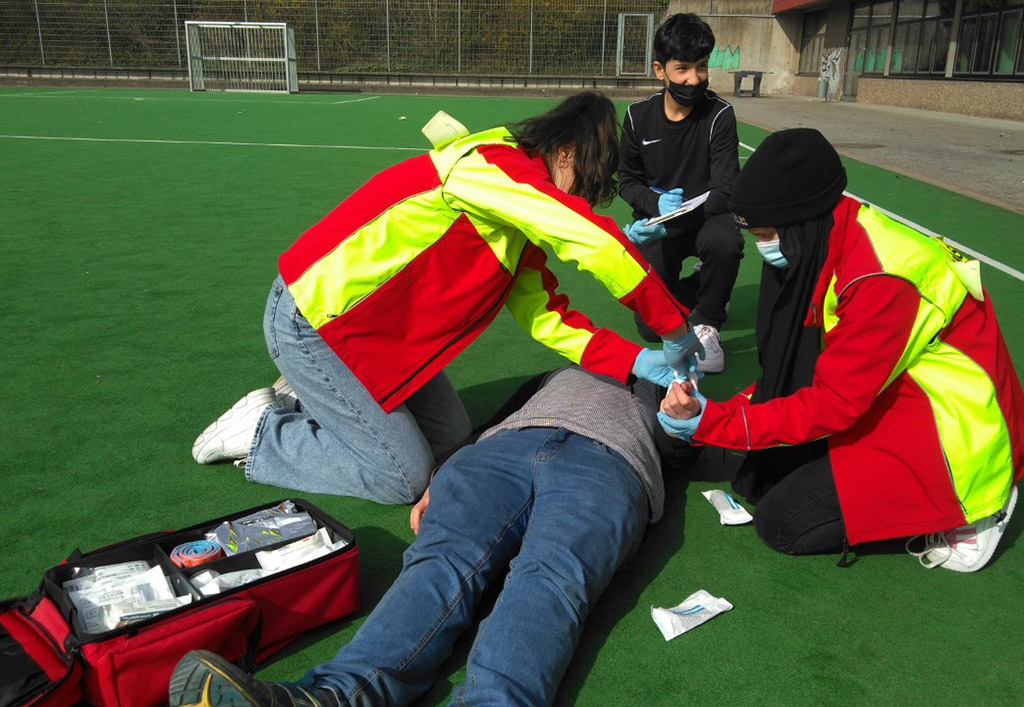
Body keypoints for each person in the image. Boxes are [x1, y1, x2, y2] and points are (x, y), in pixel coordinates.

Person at [190, 91, 702, 504]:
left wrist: (637, 359)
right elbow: (590, 240)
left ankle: (308, 395)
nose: (577, 201)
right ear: (564, 153)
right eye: (581, 187)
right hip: (317, 323)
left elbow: (547, 318)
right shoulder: (489, 168)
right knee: (403, 478)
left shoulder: (514, 219)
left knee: (451, 442)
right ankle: (262, 434)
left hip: (377, 337)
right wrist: (673, 328)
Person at [169, 367, 697, 707]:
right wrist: (444, 469)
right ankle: (332, 698)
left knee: (550, 581)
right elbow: (495, 418)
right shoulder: (562, 365)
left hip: (610, 463)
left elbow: (682, 459)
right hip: (500, 452)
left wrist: (679, 425)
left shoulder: (670, 383)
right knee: (440, 560)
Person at [659, 127, 1024, 572]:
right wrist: (723, 410)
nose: (764, 247)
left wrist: (716, 420)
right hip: (890, 393)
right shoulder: (828, 238)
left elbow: (835, 402)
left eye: (769, 233)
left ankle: (977, 506)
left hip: (951, 428)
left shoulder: (880, 279)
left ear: (800, 222)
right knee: (767, 477)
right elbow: (805, 370)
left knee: (785, 523)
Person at [617, 13, 744, 374]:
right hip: (658, 224)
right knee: (649, 328)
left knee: (725, 241)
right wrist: (654, 204)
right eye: (683, 69)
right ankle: (705, 284)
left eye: (702, 67)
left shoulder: (720, 115)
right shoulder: (637, 116)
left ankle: (708, 319)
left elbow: (724, 189)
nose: (694, 79)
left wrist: (686, 209)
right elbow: (627, 180)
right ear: (660, 70)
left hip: (706, 220)